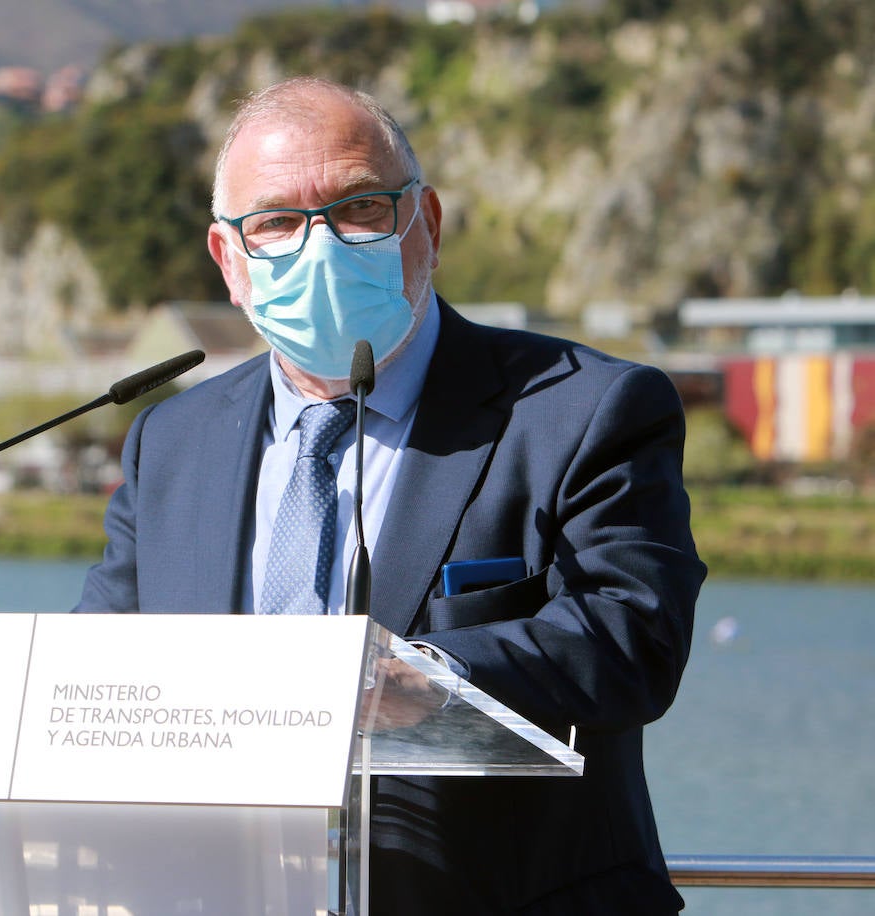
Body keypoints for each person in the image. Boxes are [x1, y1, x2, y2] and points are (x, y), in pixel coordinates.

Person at [77, 76, 705, 915]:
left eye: (360, 209)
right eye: (274, 223)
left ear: (427, 226)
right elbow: (96, 671)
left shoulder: (584, 409)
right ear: (230, 263)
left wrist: (429, 677)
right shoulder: (173, 440)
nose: (321, 246)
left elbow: (636, 636)